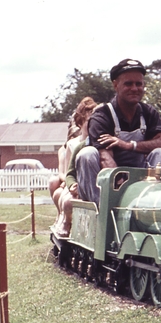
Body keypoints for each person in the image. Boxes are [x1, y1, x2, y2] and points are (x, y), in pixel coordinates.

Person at [74, 58, 161, 204]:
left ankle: (154, 205)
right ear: (116, 85)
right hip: (109, 186)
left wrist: (128, 145)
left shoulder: (149, 113)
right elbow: (105, 157)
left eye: (138, 84)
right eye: (128, 84)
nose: (134, 88)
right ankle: (100, 214)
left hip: (143, 180)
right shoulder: (102, 115)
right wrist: (123, 191)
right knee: (87, 155)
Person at [49, 97, 99, 236]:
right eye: (89, 122)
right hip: (77, 182)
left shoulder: (100, 142)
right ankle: (65, 220)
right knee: (66, 199)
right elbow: (70, 172)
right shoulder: (75, 145)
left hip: (92, 183)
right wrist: (71, 184)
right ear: (80, 123)